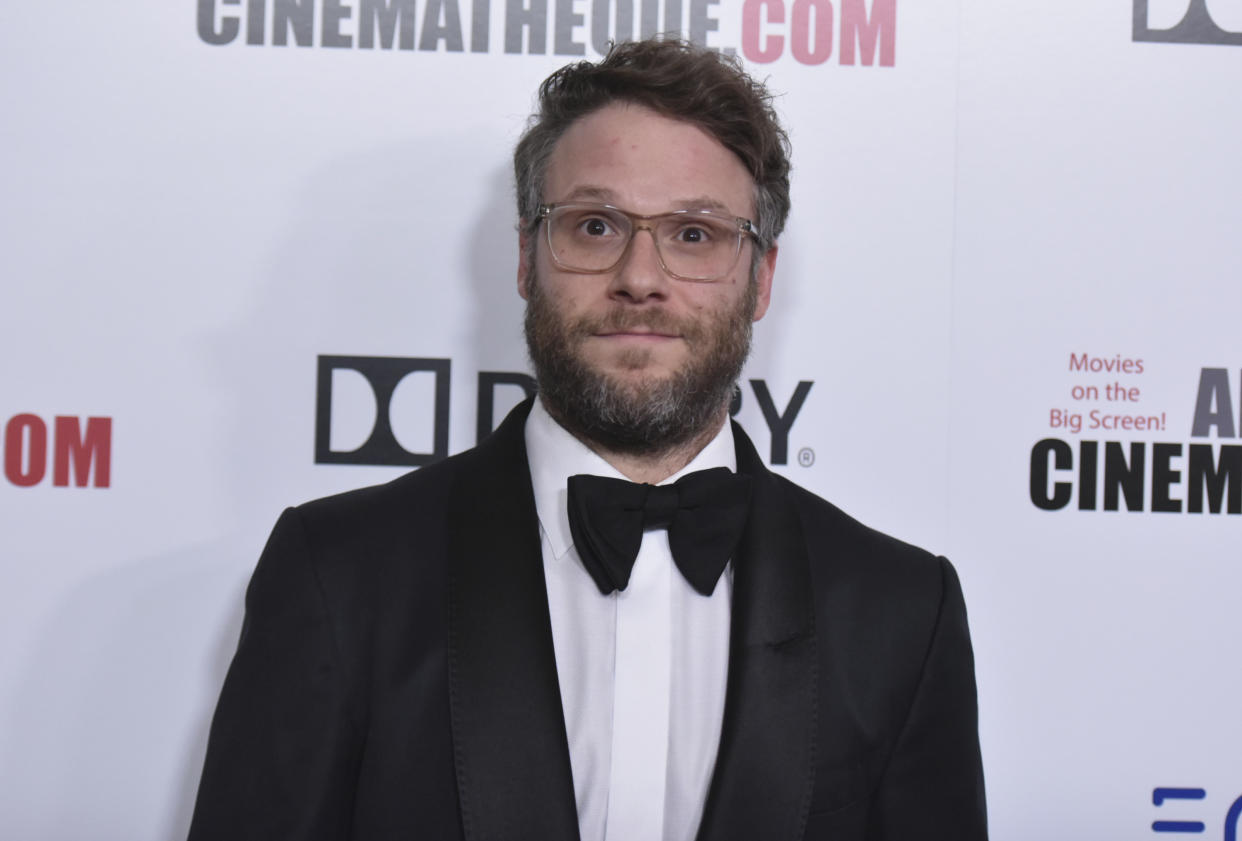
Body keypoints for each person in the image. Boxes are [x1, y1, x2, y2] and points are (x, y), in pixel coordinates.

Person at [188, 38, 987, 841]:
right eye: (596, 225)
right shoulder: (340, 578)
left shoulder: (899, 615)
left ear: (762, 278)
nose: (641, 276)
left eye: (696, 234)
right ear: (528, 257)